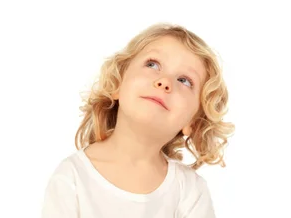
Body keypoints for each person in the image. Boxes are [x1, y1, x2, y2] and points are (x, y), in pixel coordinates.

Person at [41, 23, 234, 218]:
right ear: (117, 84)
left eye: (184, 80)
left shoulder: (190, 191)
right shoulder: (72, 177)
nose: (165, 81)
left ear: (193, 122)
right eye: (152, 64)